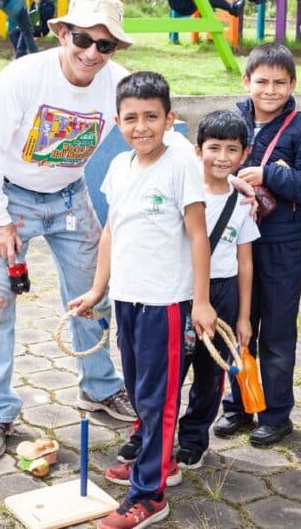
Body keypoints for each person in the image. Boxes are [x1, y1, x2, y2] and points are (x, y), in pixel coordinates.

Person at [0, 0, 137, 459]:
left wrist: (214, 176)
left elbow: (155, 130)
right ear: (61, 32)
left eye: (104, 45)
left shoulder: (119, 84)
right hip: (8, 198)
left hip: (69, 197)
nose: (90, 53)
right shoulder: (23, 78)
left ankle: (100, 387)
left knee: (94, 294)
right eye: (82, 39)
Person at [69, 71, 217, 529]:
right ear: (117, 122)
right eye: (131, 118)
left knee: (159, 398)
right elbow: (113, 231)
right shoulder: (117, 167)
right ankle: (158, 460)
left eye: (151, 117)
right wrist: (98, 289)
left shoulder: (181, 165)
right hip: (127, 301)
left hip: (167, 305)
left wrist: (202, 302)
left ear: (170, 118)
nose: (141, 127)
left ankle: (149, 494)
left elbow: (198, 237)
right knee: (138, 393)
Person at [114, 110, 259, 469]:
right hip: (179, 290)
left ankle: (194, 438)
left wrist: (242, 317)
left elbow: (245, 263)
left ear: (245, 156)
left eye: (232, 150)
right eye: (214, 148)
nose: (222, 158)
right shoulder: (181, 184)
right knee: (163, 372)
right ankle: (145, 434)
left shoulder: (241, 205)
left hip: (222, 294)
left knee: (211, 377)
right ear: (198, 151)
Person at [213, 43, 301, 447]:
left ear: (294, 85)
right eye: (261, 81)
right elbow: (210, 164)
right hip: (232, 241)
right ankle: (240, 407)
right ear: (246, 81)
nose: (270, 90)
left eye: (281, 82)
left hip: (279, 245)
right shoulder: (231, 119)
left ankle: (276, 415)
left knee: (278, 332)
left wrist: (269, 175)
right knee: (237, 329)